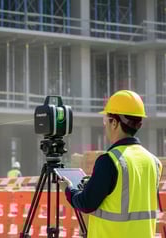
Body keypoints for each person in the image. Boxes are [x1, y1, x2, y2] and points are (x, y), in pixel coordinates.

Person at [60, 90, 162, 238]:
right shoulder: (153, 161)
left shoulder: (109, 161)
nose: (105, 125)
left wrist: (68, 190)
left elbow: (86, 203)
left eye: (105, 120)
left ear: (114, 123)